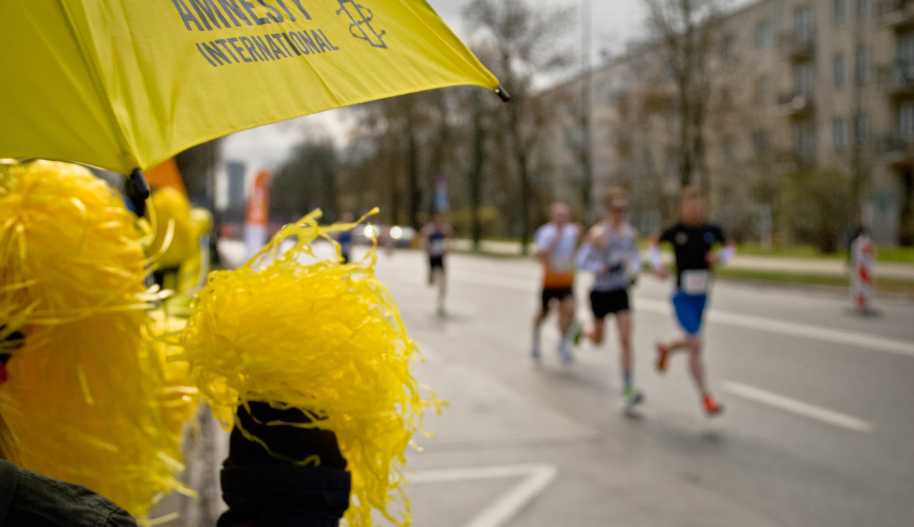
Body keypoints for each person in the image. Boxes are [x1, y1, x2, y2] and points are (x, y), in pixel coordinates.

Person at [648, 187, 735, 416]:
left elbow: (730, 249)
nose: (695, 211)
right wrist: (657, 265)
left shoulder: (712, 230)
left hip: (702, 296)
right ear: (683, 208)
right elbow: (653, 245)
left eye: (699, 207)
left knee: (690, 340)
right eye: (690, 207)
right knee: (696, 343)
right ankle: (707, 397)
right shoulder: (675, 231)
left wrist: (720, 257)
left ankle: (666, 348)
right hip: (682, 296)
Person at [574, 190, 643, 408]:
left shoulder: (629, 234)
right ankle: (582, 328)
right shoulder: (597, 234)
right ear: (606, 210)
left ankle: (628, 386)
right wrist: (599, 267)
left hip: (620, 291)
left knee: (625, 338)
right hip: (600, 293)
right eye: (615, 209)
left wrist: (634, 271)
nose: (619, 214)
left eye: (623, 210)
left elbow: (636, 257)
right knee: (597, 340)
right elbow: (580, 261)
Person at [532, 203, 580, 364]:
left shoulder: (572, 231)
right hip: (549, 282)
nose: (562, 219)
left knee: (571, 310)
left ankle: (562, 343)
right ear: (552, 217)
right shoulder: (545, 232)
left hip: (566, 281)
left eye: (564, 216)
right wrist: (555, 241)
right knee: (544, 314)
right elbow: (538, 253)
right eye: (558, 216)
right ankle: (536, 338)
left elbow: (578, 250)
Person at [419, 212, 453, 316]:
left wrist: (448, 249)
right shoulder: (429, 229)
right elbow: (422, 239)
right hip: (432, 258)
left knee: (443, 281)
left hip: (440, 258)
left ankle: (441, 302)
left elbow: (451, 240)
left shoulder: (445, 229)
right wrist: (426, 249)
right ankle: (431, 277)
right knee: (432, 282)